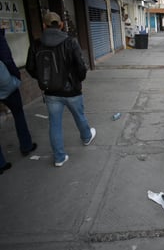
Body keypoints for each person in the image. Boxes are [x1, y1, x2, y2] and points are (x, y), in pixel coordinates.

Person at [26, 12, 95, 167]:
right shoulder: (70, 42)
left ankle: (59, 158)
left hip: (51, 92)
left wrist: (44, 80)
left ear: (44, 25)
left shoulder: (36, 44)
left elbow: (30, 67)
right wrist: (77, 81)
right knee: (79, 116)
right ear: (61, 24)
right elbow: (81, 67)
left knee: (54, 124)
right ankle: (86, 137)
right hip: (72, 91)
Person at [0, 29, 37, 174]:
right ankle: (26, 146)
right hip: (5, 84)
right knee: (18, 113)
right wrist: (16, 77)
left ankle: (1, 164)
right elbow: (7, 59)